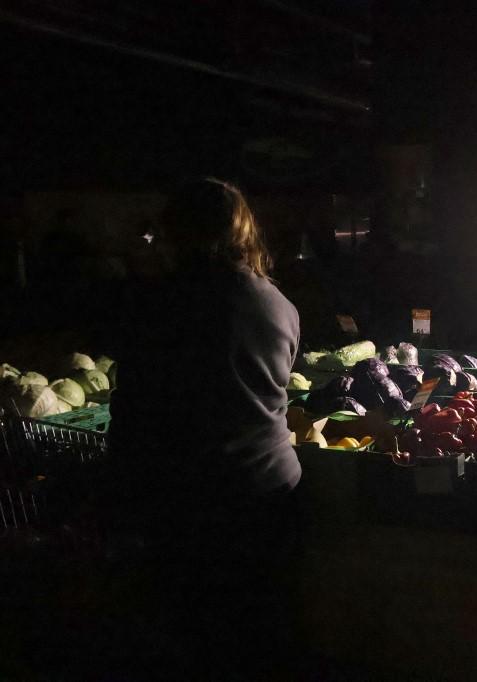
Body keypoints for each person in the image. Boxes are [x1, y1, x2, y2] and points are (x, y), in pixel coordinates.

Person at [107, 178, 302, 679]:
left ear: (175, 230)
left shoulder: (158, 305)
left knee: (198, 637)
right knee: (261, 632)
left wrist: (118, 496)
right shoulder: (278, 304)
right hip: (271, 489)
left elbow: (133, 410)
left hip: (193, 497)